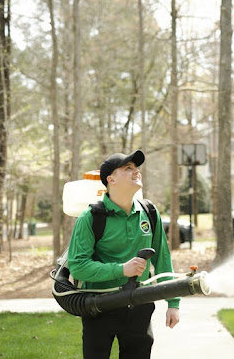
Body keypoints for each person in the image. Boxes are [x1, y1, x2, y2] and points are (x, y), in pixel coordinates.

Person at [67, 149, 180, 359]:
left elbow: (163, 259)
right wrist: (122, 269)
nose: (136, 171)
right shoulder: (90, 218)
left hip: (140, 305)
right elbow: (78, 266)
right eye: (128, 168)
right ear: (111, 179)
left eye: (137, 168)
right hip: (100, 306)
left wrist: (173, 304)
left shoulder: (149, 212)